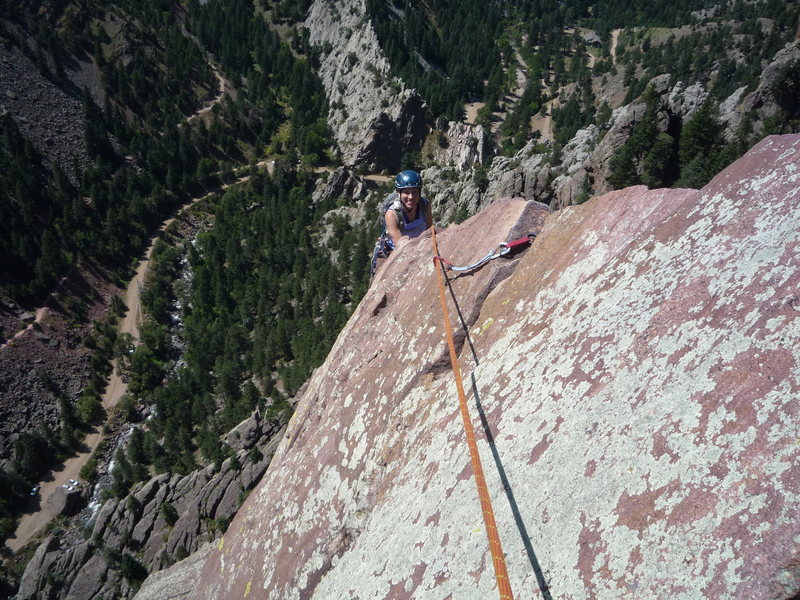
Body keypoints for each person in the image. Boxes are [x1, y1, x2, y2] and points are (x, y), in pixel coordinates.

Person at [370, 169, 433, 276]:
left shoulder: (425, 206)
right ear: (398, 193)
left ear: (419, 192)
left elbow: (430, 230)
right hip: (394, 251)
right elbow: (401, 245)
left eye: (414, 192)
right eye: (406, 192)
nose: (411, 197)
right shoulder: (392, 214)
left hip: (422, 248)